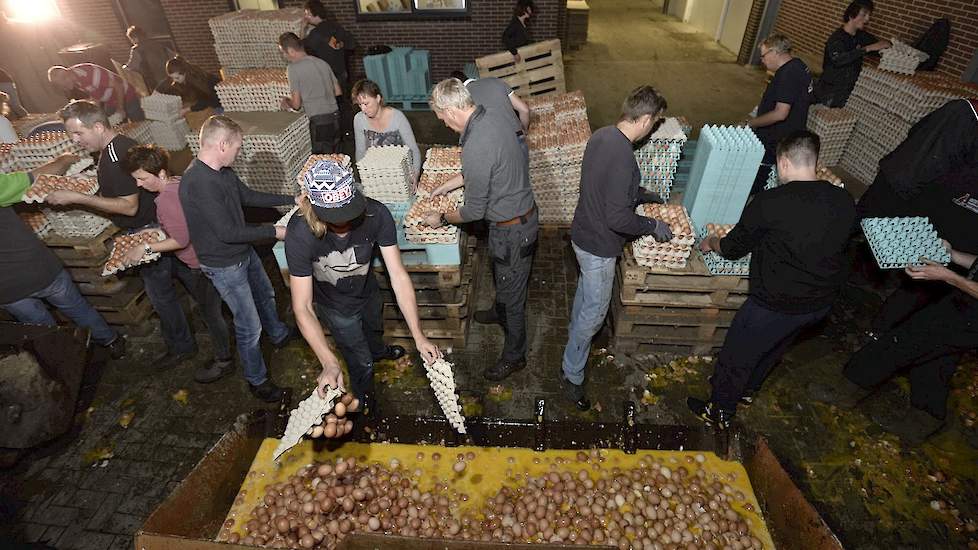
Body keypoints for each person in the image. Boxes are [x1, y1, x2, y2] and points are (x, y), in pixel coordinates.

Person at [686, 131, 856, 429]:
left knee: (736, 355)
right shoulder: (843, 199)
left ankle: (720, 410)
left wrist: (710, 242)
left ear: (783, 162)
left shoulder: (771, 202)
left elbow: (733, 247)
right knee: (774, 347)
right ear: (814, 161)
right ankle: (749, 390)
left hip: (774, 303)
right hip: (818, 305)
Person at [48, 100, 196, 370]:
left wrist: (78, 198)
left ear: (97, 126)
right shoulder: (118, 147)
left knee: (161, 295)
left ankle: (182, 346)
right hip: (160, 223)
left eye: (78, 133)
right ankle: (218, 317)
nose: (75, 140)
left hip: (148, 229)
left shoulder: (115, 158)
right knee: (188, 274)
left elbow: (129, 206)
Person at [286, 159, 442, 412]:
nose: (345, 224)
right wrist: (328, 362)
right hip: (335, 306)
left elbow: (398, 276)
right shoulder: (300, 233)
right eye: (336, 218)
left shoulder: (376, 214)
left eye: (349, 213)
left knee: (374, 329)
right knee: (360, 362)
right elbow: (302, 306)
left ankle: (378, 352)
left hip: (368, 292)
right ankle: (365, 402)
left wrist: (418, 335)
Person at [561, 86, 674, 411]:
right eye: (654, 124)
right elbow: (617, 218)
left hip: (582, 234)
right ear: (647, 119)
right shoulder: (625, 157)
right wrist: (651, 225)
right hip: (599, 245)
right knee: (595, 313)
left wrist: (636, 193)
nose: (652, 130)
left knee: (585, 295)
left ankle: (573, 343)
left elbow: (600, 183)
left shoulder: (601, 136)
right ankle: (572, 374)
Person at [423, 78, 537, 382]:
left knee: (514, 296)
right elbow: (489, 165)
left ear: (451, 110)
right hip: (519, 215)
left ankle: (515, 356)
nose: (445, 124)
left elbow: (474, 211)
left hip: (513, 229)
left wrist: (443, 217)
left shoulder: (475, 145)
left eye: (442, 118)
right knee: (503, 277)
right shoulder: (493, 117)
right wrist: (452, 182)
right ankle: (499, 312)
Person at [180, 115, 297, 403]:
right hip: (224, 265)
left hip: (243, 253)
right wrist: (275, 231)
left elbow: (247, 196)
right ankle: (257, 381)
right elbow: (228, 232)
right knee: (248, 325)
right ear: (222, 144)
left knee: (267, 294)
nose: (238, 152)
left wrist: (290, 198)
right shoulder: (198, 182)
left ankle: (280, 334)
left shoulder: (223, 172)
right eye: (237, 147)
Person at [813, 242, 978, 444]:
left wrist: (948, 276)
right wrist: (954, 255)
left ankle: (846, 389)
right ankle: (924, 419)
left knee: (898, 344)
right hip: (963, 306)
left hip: (969, 316)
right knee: (936, 359)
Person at [124, 144, 234, 384]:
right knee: (219, 304)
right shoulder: (179, 182)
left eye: (142, 178)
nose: (139, 185)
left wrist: (145, 247)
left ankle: (224, 360)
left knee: (210, 314)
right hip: (210, 253)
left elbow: (181, 239)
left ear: (161, 174)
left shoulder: (165, 201)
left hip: (200, 263)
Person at [0, 155, 126, 359]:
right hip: (37, 268)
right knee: (78, 308)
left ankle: (68, 364)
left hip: (6, 290)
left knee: (42, 329)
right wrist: (65, 160)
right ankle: (110, 342)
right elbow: (35, 177)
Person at [857, 98, 978, 220]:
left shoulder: (961, 109)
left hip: (903, 178)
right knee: (868, 217)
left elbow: (916, 130)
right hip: (905, 184)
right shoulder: (967, 114)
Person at [746, 34, 813, 195]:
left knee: (758, 183)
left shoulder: (787, 74)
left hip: (776, 139)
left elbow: (780, 113)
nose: (762, 60)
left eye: (763, 55)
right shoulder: (799, 65)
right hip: (788, 136)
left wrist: (752, 123)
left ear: (774, 52)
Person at [812, 1, 891, 107]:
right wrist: (867, 49)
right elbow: (839, 59)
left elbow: (878, 47)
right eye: (863, 15)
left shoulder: (862, 36)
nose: (867, 19)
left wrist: (888, 47)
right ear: (851, 15)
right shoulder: (837, 38)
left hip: (848, 90)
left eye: (869, 15)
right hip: (830, 90)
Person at [279, 32, 342, 154]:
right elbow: (338, 92)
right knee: (336, 157)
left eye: (283, 52)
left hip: (320, 122)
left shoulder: (293, 68)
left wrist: (286, 101)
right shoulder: (322, 63)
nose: (284, 56)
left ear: (291, 51)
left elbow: (296, 105)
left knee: (322, 163)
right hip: (336, 118)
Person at [302, 0, 357, 141]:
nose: (305, 17)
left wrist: (302, 30)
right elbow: (352, 44)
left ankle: (337, 135)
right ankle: (349, 131)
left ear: (315, 14)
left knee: (331, 107)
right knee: (344, 103)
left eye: (307, 14)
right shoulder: (336, 27)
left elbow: (301, 50)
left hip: (327, 77)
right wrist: (339, 45)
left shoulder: (315, 35)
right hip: (342, 72)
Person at [351, 79, 421, 182]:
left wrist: (415, 174)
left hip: (400, 175)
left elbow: (413, 150)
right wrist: (364, 176)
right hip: (376, 175)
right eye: (360, 105)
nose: (363, 109)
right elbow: (360, 152)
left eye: (366, 104)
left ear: (378, 98)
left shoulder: (397, 117)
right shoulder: (359, 119)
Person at [47, 64, 144, 122]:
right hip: (111, 100)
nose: (64, 88)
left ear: (66, 76)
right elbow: (96, 94)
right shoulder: (76, 79)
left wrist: (120, 108)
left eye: (63, 85)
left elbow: (118, 86)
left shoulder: (88, 75)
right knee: (112, 125)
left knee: (139, 125)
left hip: (126, 96)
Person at [123, 25, 173, 92]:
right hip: (168, 76)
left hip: (154, 81)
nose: (132, 41)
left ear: (135, 38)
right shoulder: (157, 44)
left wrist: (123, 68)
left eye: (131, 39)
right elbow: (172, 56)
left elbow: (132, 66)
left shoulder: (137, 50)